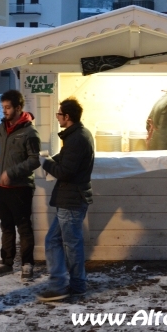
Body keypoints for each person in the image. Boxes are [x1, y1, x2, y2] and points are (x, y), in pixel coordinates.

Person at [37, 97, 95, 302]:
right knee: (55, 240)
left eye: (59, 114)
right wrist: (50, 158)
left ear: (67, 117)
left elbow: (65, 171)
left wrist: (46, 163)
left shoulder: (77, 138)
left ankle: (71, 286)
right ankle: (61, 283)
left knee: (70, 244)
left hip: (71, 201)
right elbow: (65, 160)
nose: (57, 117)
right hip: (69, 199)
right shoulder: (76, 136)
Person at [0, 90, 41, 281]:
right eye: (3, 108)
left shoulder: (30, 133)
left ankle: (27, 264)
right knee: (6, 226)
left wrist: (11, 172)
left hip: (21, 188)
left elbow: (34, 161)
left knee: (23, 227)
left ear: (18, 108)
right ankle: (6, 262)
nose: (5, 111)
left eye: (8, 108)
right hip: (3, 189)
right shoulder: (2, 128)